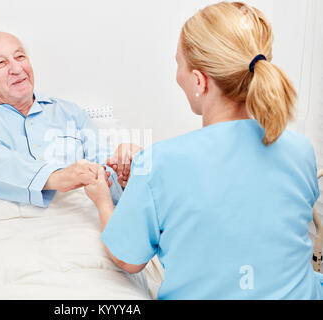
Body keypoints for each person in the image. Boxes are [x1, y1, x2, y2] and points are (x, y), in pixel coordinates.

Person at [84, 2, 323, 299]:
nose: (177, 75)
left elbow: (127, 259)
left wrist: (103, 200)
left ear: (199, 80)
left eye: (178, 64)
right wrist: (147, 187)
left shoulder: (160, 163)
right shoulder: (300, 150)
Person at [0, 32, 134, 207]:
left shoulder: (71, 113)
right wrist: (53, 177)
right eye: (1, 63)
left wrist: (126, 173)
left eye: (20, 57)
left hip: (72, 216)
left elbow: (107, 179)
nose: (17, 68)